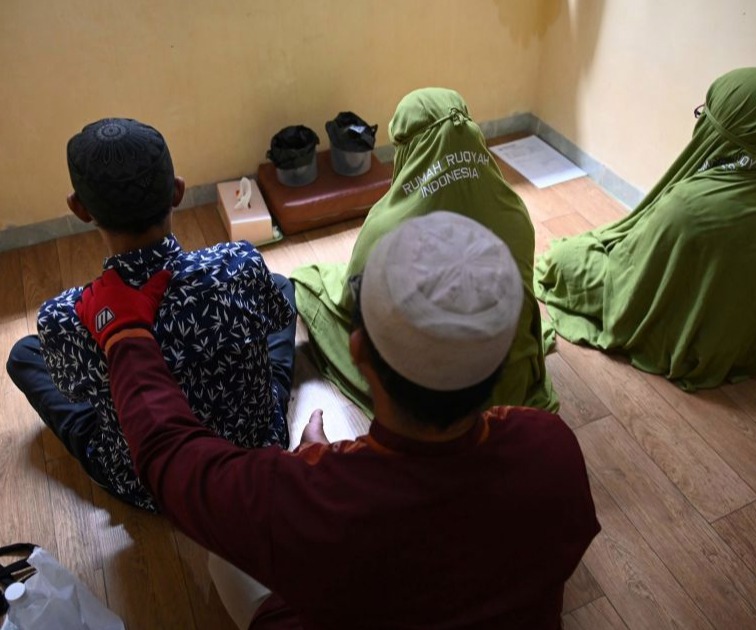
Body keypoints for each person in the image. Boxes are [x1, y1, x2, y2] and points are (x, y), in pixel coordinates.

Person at [75, 211, 600, 629]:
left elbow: (171, 460)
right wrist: (317, 473)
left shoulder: (304, 500)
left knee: (223, 560)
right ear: (502, 356)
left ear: (359, 352)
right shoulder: (550, 447)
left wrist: (124, 333)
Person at [5, 118, 296, 512]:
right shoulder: (238, 263)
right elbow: (274, 319)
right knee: (278, 286)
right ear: (177, 191)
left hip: (149, 479)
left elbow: (73, 391)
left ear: (79, 209)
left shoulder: (64, 317)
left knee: (24, 354)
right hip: (255, 447)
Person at [535, 67, 756, 390]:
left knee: (563, 258)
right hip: (746, 331)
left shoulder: (689, 207)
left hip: (693, 327)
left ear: (726, 127)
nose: (700, 120)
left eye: (707, 114)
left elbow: (630, 281)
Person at [292, 87, 558, 415]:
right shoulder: (514, 211)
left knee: (310, 282)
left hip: (423, 404)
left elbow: (352, 302)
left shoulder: (384, 229)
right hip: (507, 386)